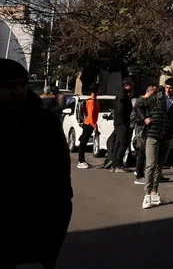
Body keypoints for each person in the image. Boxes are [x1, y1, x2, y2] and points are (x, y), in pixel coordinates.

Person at [0, 59, 73, 269]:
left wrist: (51, 235)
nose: (18, 91)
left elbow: (59, 176)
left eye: (22, 85)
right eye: (10, 86)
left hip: (33, 225)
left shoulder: (44, 123)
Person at [137, 77, 173, 208]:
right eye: (166, 87)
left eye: (171, 88)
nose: (168, 90)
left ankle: (154, 193)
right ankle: (147, 195)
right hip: (152, 134)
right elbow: (139, 106)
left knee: (159, 165)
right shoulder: (157, 97)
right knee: (151, 165)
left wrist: (172, 128)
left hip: (166, 137)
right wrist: (144, 118)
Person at [105, 79, 135, 172]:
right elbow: (120, 109)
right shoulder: (122, 95)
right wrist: (126, 117)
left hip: (120, 122)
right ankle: (118, 164)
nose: (132, 87)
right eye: (131, 85)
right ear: (126, 85)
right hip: (122, 122)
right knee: (123, 143)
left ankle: (114, 164)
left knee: (118, 143)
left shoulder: (124, 95)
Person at [132, 84, 157, 186]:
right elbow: (137, 114)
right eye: (154, 92)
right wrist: (144, 119)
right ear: (149, 91)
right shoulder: (141, 101)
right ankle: (139, 176)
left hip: (147, 128)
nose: (156, 94)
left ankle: (145, 173)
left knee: (147, 152)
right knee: (141, 151)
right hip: (141, 129)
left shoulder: (150, 101)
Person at [77, 84, 100, 169]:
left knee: (84, 142)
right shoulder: (91, 102)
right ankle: (80, 161)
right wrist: (95, 126)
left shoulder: (94, 101)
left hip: (89, 124)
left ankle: (82, 160)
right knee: (83, 143)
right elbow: (90, 116)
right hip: (88, 124)